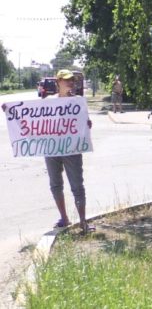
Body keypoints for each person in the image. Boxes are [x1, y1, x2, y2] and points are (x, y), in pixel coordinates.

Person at [48, 69, 94, 233]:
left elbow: (85, 123)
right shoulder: (48, 101)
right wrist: (10, 111)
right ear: (58, 82)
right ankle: (64, 218)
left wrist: (87, 125)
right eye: (67, 80)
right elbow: (32, 119)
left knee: (77, 186)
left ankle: (83, 222)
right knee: (55, 184)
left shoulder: (78, 101)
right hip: (51, 148)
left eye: (72, 80)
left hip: (72, 148)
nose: (70, 83)